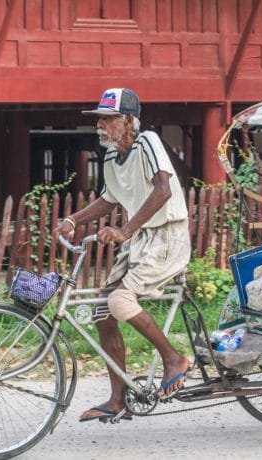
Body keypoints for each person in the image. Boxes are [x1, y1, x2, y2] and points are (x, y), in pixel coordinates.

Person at [54, 88, 191, 422]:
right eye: (99, 119)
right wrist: (72, 220)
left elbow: (163, 189)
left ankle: (174, 359)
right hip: (140, 239)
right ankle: (118, 399)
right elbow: (109, 199)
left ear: (129, 121)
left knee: (119, 301)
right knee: (103, 311)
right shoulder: (112, 157)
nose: (100, 124)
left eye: (108, 118)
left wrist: (124, 231)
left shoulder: (148, 142)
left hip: (167, 236)